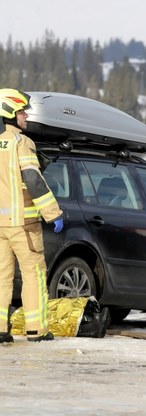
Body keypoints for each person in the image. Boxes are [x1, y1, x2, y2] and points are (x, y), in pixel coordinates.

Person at [0, 88, 64, 343]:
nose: (26, 115)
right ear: (11, 113)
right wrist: (53, 213)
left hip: (0, 226)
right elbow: (33, 181)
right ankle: (36, 330)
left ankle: (1, 329)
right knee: (34, 274)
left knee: (1, 277)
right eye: (22, 111)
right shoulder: (22, 143)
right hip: (23, 226)